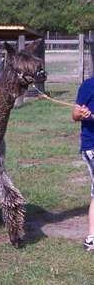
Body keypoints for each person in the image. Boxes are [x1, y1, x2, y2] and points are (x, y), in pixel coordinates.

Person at [72, 76, 94, 252]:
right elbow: (75, 114)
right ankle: (91, 239)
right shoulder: (89, 85)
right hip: (92, 147)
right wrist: (82, 114)